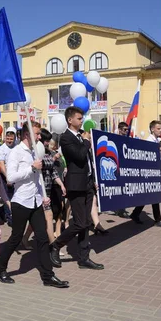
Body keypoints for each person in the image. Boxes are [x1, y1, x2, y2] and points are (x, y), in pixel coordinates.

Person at [0, 121, 68, 288]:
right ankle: (0, 269)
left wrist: (43, 195)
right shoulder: (16, 153)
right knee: (16, 238)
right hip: (21, 201)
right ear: (27, 135)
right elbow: (11, 178)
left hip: (35, 201)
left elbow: (38, 179)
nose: (40, 136)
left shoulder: (35, 152)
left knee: (42, 238)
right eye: (37, 133)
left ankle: (48, 276)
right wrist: (31, 168)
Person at [50, 107, 104, 270]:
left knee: (86, 222)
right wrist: (87, 142)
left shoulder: (81, 136)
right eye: (79, 118)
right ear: (70, 120)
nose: (82, 121)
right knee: (80, 223)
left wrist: (93, 179)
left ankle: (84, 257)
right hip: (76, 185)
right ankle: (56, 245)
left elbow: (88, 161)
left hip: (87, 183)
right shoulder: (66, 138)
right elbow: (79, 156)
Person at [129, 120, 161, 228]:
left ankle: (135, 214)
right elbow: (147, 155)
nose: (160, 130)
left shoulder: (157, 140)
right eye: (158, 128)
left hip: (154, 170)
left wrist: (160, 151)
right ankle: (158, 219)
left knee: (148, 195)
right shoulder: (149, 140)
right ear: (152, 129)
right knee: (154, 195)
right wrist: (158, 149)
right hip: (149, 172)